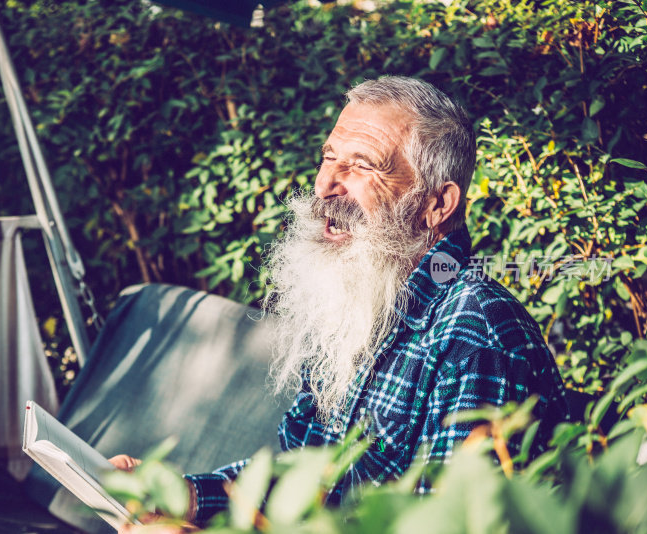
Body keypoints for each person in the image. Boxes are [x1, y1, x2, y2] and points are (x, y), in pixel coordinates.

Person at [110, 75, 569, 530]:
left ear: (436, 204)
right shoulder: (359, 293)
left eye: (363, 165)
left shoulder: (476, 340)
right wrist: (187, 499)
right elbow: (306, 475)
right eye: (329, 157)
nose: (327, 182)